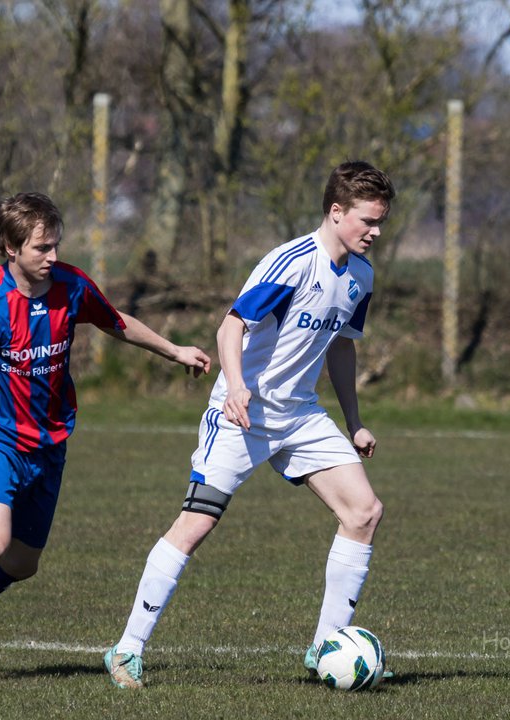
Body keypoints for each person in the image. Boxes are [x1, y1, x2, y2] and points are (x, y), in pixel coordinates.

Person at [103, 161, 395, 689]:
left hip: (300, 413)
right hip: (244, 413)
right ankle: (126, 650)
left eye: (380, 223)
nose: (375, 232)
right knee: (196, 524)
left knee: (364, 511)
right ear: (336, 212)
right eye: (367, 221)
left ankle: (327, 648)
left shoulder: (361, 276)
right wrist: (236, 385)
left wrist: (354, 422)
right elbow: (231, 325)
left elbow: (343, 347)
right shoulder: (290, 263)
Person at [0, 192, 211, 684]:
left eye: (55, 245)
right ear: (9, 247)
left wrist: (172, 349)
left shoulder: (69, 285)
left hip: (49, 444)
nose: (53, 257)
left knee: (22, 564)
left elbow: (116, 322)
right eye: (40, 248)